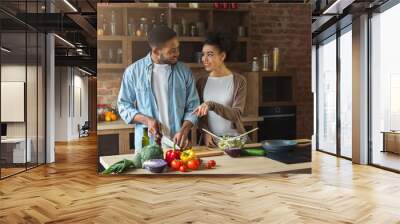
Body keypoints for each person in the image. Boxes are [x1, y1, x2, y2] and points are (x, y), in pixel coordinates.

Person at [118, 26, 200, 152]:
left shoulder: (185, 71)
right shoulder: (133, 72)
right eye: (172, 50)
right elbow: (123, 106)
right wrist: (148, 120)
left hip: (178, 146)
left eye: (178, 48)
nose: (177, 53)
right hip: (147, 146)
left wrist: (184, 130)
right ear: (156, 51)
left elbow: (193, 106)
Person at [193, 32, 247, 147]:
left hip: (235, 141)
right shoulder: (201, 82)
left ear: (222, 56)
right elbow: (200, 116)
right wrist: (206, 132)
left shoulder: (239, 81)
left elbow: (236, 115)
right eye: (203, 54)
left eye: (210, 54)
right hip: (212, 143)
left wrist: (211, 105)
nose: (204, 59)